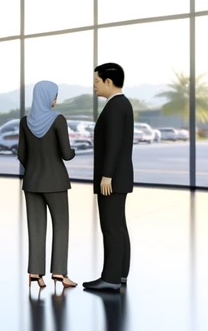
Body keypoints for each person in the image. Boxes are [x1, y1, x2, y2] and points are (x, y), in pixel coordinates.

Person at [18, 81, 76, 289]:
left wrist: (33, 168)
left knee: (35, 228)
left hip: (31, 182)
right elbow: (66, 154)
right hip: (55, 182)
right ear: (48, 96)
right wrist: (74, 151)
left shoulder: (25, 122)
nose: (55, 100)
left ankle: (35, 273)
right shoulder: (58, 119)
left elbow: (21, 155)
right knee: (61, 226)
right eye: (54, 96)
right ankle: (59, 273)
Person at [85, 63, 133, 292]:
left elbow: (113, 144)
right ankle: (121, 273)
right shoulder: (123, 104)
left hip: (112, 179)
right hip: (120, 176)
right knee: (119, 226)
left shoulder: (114, 107)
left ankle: (110, 278)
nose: (94, 86)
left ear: (108, 82)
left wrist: (106, 176)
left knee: (111, 228)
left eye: (96, 81)